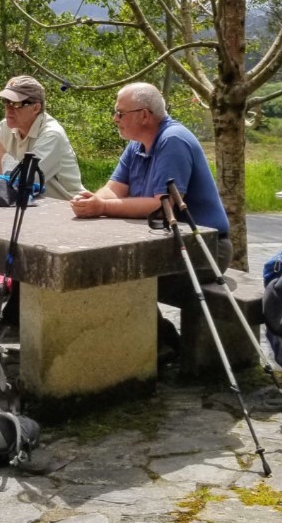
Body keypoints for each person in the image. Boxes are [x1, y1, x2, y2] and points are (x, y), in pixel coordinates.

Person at [69, 81, 231, 356]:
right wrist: (93, 201)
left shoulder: (172, 140)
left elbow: (160, 204)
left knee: (117, 277)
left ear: (144, 115)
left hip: (204, 249)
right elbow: (114, 189)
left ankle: (158, 347)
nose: (115, 118)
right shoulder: (138, 144)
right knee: (106, 271)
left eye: (120, 113)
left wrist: (102, 208)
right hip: (168, 245)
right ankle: (157, 343)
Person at [0, 75, 84, 201]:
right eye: (6, 101)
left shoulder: (52, 135)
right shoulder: (6, 126)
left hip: (65, 210)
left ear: (36, 108)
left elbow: (22, 182)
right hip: (26, 208)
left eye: (16, 103)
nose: (8, 108)